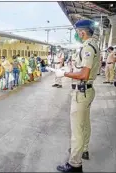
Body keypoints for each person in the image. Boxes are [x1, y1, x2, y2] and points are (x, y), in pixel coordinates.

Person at [54, 19, 100, 172]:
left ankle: (75, 164)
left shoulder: (87, 47)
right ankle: (83, 149)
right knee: (85, 124)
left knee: (77, 129)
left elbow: (84, 74)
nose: (77, 35)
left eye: (78, 32)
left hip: (81, 93)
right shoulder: (94, 44)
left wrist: (64, 73)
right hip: (87, 91)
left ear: (82, 32)